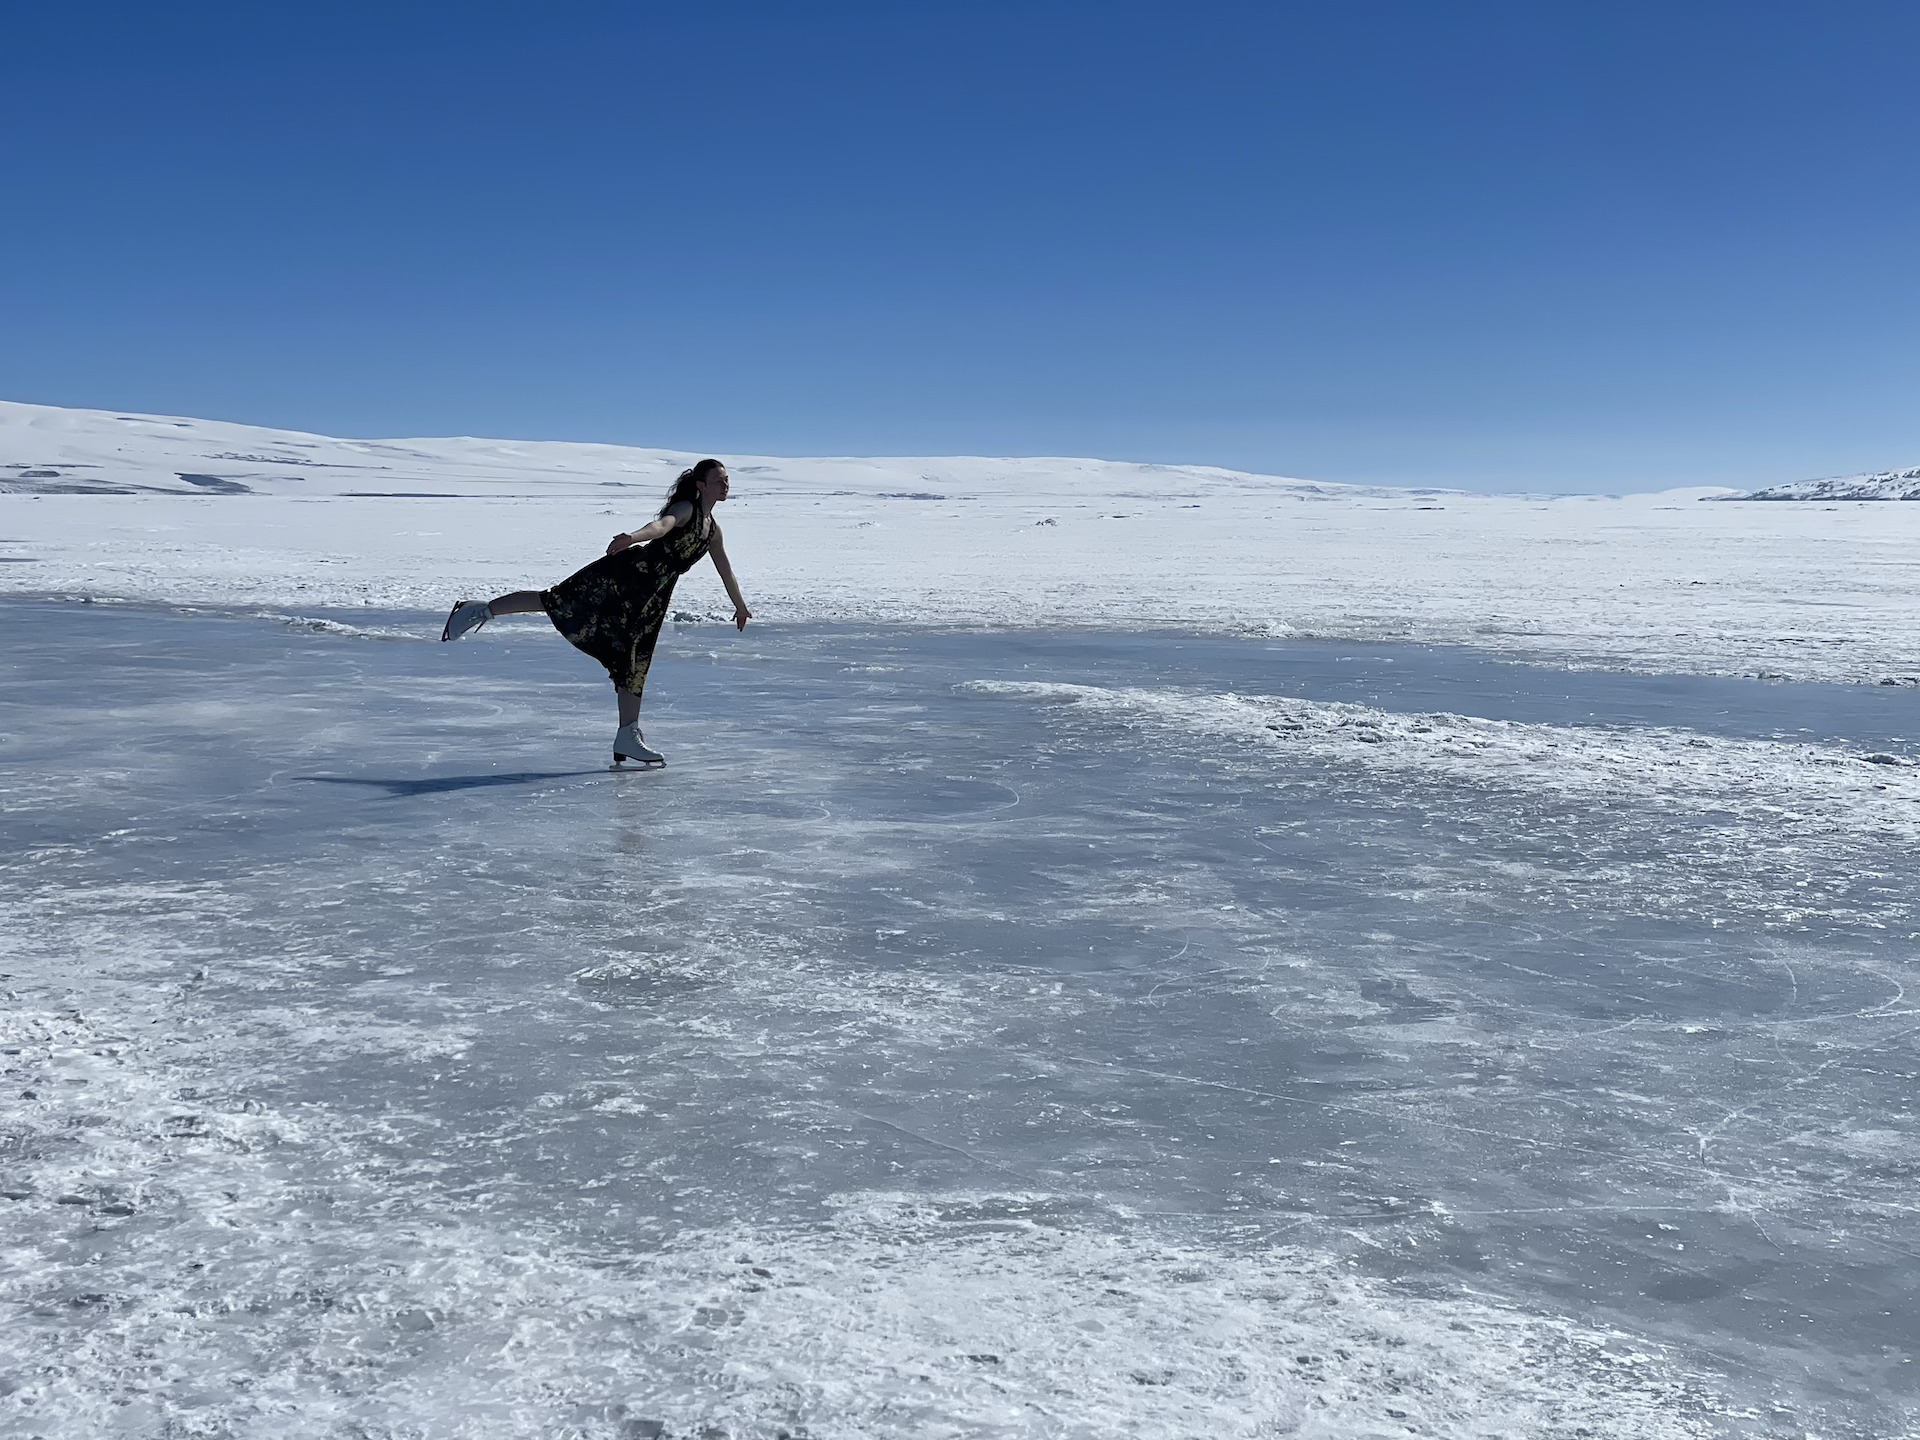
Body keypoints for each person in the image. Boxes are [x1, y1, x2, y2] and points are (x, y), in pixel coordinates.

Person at [440, 458, 752, 766]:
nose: (725, 485)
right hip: (627, 576)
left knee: (634, 661)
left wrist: (739, 606)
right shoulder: (687, 509)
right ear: (701, 485)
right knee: (558, 601)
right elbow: (661, 526)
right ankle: (479, 611)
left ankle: (627, 735)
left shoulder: (713, 531)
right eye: (719, 480)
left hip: (651, 599)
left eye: (726, 480)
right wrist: (632, 537)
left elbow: (725, 570)